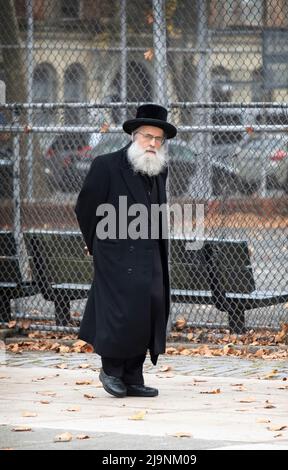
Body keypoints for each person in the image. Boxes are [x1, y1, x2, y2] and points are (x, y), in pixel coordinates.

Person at [75, 104, 177, 398]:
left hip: (150, 252)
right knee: (121, 312)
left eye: (159, 139)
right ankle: (112, 370)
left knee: (151, 309)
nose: (153, 144)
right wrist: (97, 244)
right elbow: (85, 207)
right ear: (135, 135)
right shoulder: (106, 165)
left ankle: (133, 374)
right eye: (148, 136)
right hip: (115, 253)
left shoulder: (159, 168)